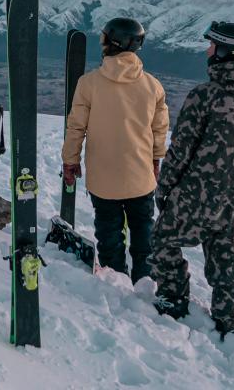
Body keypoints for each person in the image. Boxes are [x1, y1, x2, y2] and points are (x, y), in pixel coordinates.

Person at [150, 20, 234, 340]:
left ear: (224, 52)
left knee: (164, 241)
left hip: (197, 192)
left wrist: (164, 191)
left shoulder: (203, 96)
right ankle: (230, 320)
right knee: (225, 253)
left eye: (212, 46)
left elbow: (180, 149)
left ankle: (174, 299)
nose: (208, 50)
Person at [61, 17, 169, 283]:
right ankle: (146, 282)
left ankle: (115, 282)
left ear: (109, 43)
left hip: (103, 178)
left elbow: (76, 128)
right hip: (141, 177)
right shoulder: (152, 85)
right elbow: (160, 130)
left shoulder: (89, 83)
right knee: (144, 231)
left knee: (109, 234)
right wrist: (155, 160)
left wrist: (70, 161)